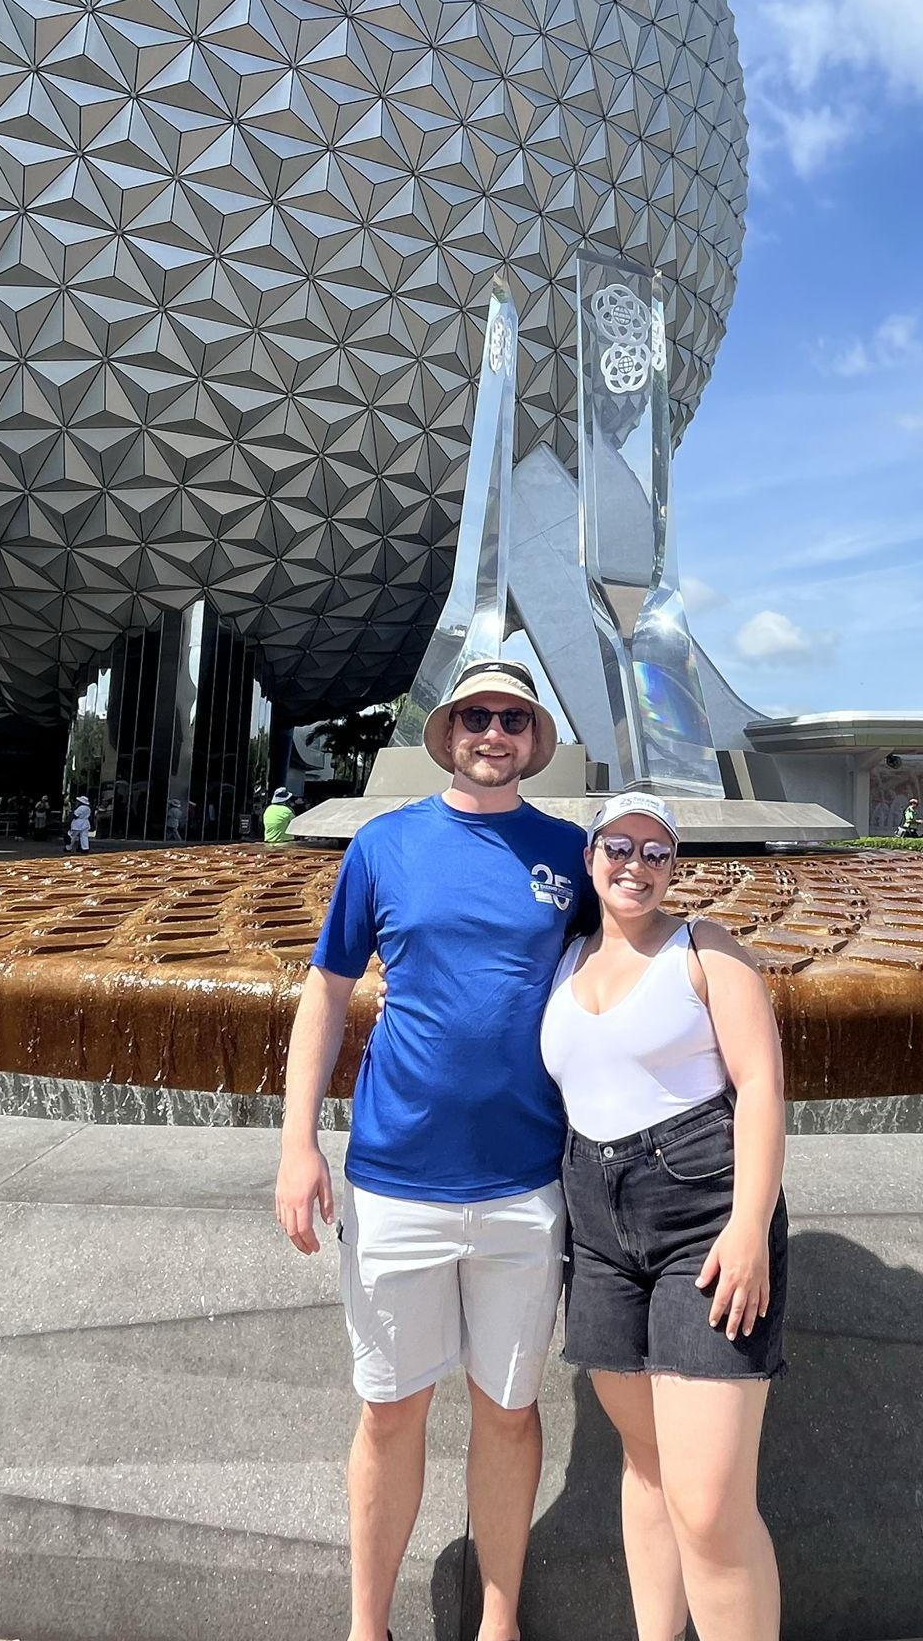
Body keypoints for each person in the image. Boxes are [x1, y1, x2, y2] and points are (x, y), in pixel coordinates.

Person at [276, 660, 590, 1641]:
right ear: (448, 731)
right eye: (474, 715)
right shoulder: (383, 844)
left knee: (507, 1409)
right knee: (388, 1409)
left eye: (510, 717)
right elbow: (325, 993)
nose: (491, 730)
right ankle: (366, 1625)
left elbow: (620, 977)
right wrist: (297, 1144)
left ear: (531, 737)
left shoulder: (571, 852)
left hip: (523, 1182)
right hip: (396, 1178)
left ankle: (499, 1618)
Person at [542, 792, 787, 1641]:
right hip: (597, 1230)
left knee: (710, 1501)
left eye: (655, 853)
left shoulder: (707, 951)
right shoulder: (564, 959)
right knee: (646, 1468)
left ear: (674, 868)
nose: (634, 865)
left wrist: (749, 1225)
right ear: (591, 858)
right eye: (618, 847)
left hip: (702, 1219)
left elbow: (759, 1087)